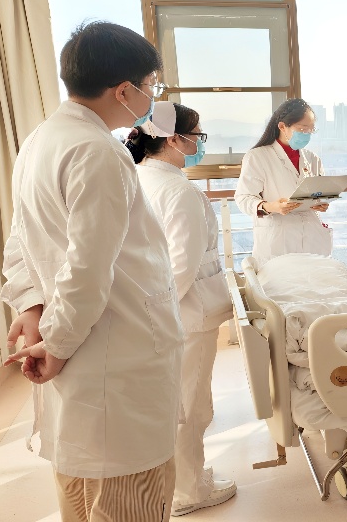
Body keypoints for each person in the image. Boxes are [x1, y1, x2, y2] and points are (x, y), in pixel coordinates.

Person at [1, 22, 182, 521]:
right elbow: (87, 270)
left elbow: (20, 239)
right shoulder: (99, 151)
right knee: (129, 497)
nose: (153, 96)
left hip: (83, 348)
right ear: (124, 91)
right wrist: (57, 345)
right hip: (115, 355)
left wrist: (32, 306)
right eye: (151, 85)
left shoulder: (41, 140)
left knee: (82, 496)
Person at [129, 101, 237, 515]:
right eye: (198, 136)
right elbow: (181, 267)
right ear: (174, 140)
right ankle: (189, 491)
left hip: (159, 315)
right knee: (192, 407)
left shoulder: (140, 178)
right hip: (186, 318)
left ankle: (181, 478)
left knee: (175, 404)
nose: (200, 144)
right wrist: (160, 318)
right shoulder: (179, 191)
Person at [235, 99, 331, 266]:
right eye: (302, 129)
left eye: (311, 129)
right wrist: (271, 206)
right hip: (278, 241)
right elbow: (243, 198)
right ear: (282, 126)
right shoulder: (257, 157)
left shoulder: (312, 158)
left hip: (312, 238)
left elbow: (320, 192)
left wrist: (321, 203)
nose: (307, 134)